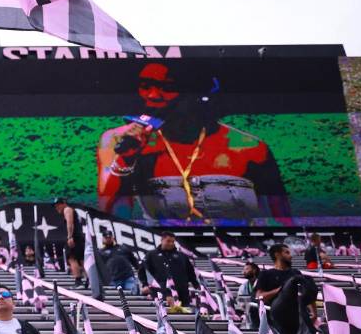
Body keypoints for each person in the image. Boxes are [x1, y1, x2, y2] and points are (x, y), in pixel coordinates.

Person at [97, 62, 292, 225]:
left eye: (168, 87)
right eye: (146, 86)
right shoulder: (118, 140)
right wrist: (126, 160)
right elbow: (111, 218)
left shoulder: (251, 148)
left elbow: (281, 224)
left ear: (197, 93)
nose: (153, 95)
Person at [254, 243, 317, 334]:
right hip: (276, 315)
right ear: (277, 255)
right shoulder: (266, 274)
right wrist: (280, 289)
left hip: (296, 315)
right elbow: (259, 297)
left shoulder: (295, 272)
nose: (290, 256)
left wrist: (313, 312)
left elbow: (305, 293)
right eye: (287, 253)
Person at [139, 231, 198, 311]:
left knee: (184, 315)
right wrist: (145, 284)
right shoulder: (151, 255)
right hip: (160, 291)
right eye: (168, 241)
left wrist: (196, 285)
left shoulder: (181, 256)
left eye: (173, 241)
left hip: (182, 292)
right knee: (164, 315)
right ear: (162, 240)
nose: (171, 243)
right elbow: (143, 271)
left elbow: (191, 272)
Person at [96, 229, 141, 294]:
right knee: (115, 298)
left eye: (109, 237)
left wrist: (139, 269)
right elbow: (99, 268)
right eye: (106, 238)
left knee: (133, 295)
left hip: (128, 277)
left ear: (113, 237)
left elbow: (134, 261)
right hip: (113, 279)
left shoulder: (123, 248)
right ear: (103, 239)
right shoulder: (100, 252)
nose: (108, 239)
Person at [54, 198, 84, 285]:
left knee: (72, 258)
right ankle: (90, 280)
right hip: (78, 237)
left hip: (74, 237)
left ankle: (78, 281)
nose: (57, 208)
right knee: (81, 259)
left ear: (63, 203)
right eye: (56, 206)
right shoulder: (71, 210)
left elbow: (70, 223)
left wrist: (70, 237)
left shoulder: (67, 209)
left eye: (58, 205)